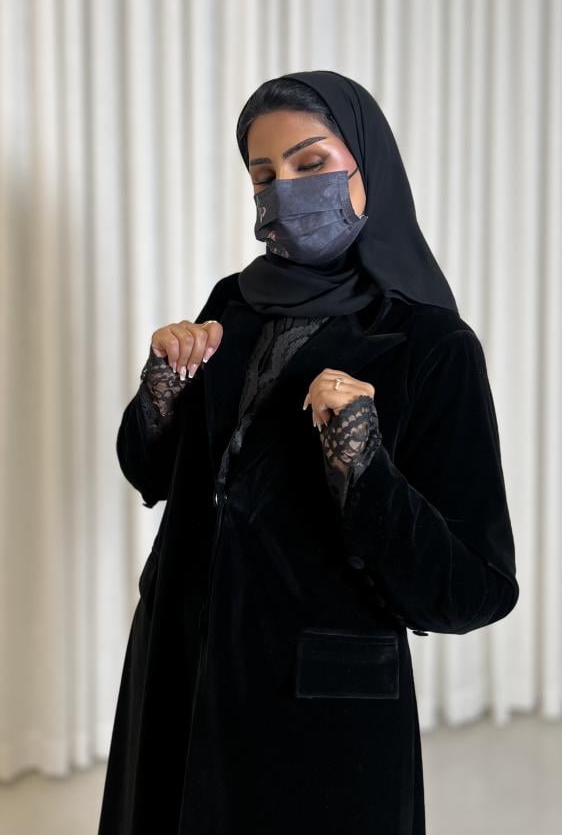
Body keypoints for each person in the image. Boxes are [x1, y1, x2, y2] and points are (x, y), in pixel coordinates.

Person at [97, 70, 520, 835]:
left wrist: (359, 457)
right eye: (263, 175)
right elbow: (151, 474)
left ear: (368, 166)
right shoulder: (233, 303)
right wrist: (163, 384)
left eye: (311, 163)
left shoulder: (431, 344)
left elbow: (475, 589)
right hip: (179, 670)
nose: (284, 190)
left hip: (317, 708)